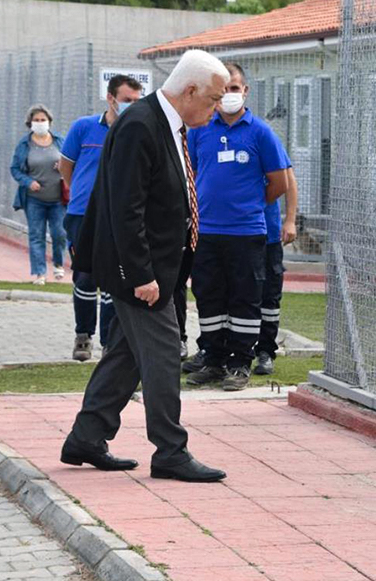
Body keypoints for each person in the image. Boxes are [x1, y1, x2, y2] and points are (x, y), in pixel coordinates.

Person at [60, 49, 229, 483]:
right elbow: (125, 209)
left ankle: (86, 436)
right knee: (162, 355)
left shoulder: (166, 123)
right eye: (212, 99)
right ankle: (171, 451)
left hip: (164, 268)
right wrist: (142, 276)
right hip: (142, 273)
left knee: (126, 356)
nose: (215, 109)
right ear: (189, 90)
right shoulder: (141, 125)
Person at [184, 62, 290, 391]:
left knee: (245, 299)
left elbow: (279, 183)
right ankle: (213, 359)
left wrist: (249, 206)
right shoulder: (201, 130)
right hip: (207, 232)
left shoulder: (260, 133)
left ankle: (240, 363)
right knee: (209, 298)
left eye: (235, 88)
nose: (229, 94)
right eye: (224, 89)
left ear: (245, 91)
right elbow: (193, 176)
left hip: (247, 233)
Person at [60, 75, 143, 362]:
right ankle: (83, 336)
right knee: (85, 278)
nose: (132, 105)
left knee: (113, 281)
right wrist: (86, 194)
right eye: (126, 100)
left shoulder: (137, 131)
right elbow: (66, 167)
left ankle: (110, 341)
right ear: (110, 98)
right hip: (82, 215)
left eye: (136, 100)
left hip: (118, 218)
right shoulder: (83, 128)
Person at [10, 104, 66, 286]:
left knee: (59, 234)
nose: (40, 123)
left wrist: (62, 166)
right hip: (34, 200)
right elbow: (15, 169)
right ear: (30, 123)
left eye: (43, 120)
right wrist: (28, 182)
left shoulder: (59, 141)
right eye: (36, 120)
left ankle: (58, 263)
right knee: (36, 235)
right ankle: (39, 273)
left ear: (49, 121)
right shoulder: (24, 145)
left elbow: (71, 161)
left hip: (58, 199)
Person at [254, 164, 297, 375]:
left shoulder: (264, 136)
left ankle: (265, 351)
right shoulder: (211, 133)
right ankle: (223, 353)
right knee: (233, 295)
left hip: (267, 232)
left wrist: (290, 220)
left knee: (269, 294)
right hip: (233, 233)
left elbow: (287, 181)